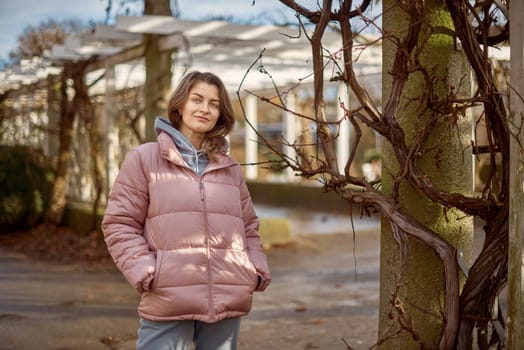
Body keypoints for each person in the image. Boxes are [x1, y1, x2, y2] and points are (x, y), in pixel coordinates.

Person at [102, 71, 271, 350]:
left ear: (220, 114)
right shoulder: (145, 159)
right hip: (169, 296)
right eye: (197, 99)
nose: (205, 108)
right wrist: (146, 271)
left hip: (227, 297)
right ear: (180, 105)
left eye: (214, 104)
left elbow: (249, 227)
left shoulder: (229, 168)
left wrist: (253, 269)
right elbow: (119, 223)